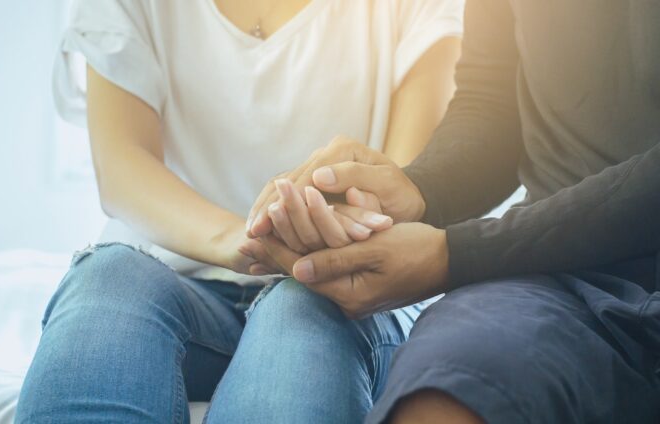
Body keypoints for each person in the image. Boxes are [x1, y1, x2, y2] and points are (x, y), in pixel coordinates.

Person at [15, 0, 465, 422]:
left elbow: (409, 183)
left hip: (337, 288)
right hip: (180, 283)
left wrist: (328, 238)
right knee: (109, 276)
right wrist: (247, 240)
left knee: (299, 305)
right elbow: (121, 167)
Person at [248, 0, 660, 422]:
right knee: (441, 399)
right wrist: (418, 189)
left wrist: (456, 254)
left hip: (538, 249)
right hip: (554, 273)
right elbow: (492, 103)